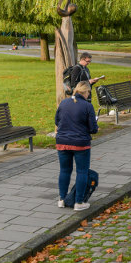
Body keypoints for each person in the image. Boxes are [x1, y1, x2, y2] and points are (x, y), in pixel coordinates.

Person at [55, 81, 98, 211]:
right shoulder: (87, 106)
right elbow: (93, 129)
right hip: (80, 143)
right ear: (86, 92)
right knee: (82, 171)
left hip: (62, 141)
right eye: (88, 93)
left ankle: (62, 199)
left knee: (64, 170)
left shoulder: (64, 103)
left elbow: (57, 121)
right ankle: (78, 202)